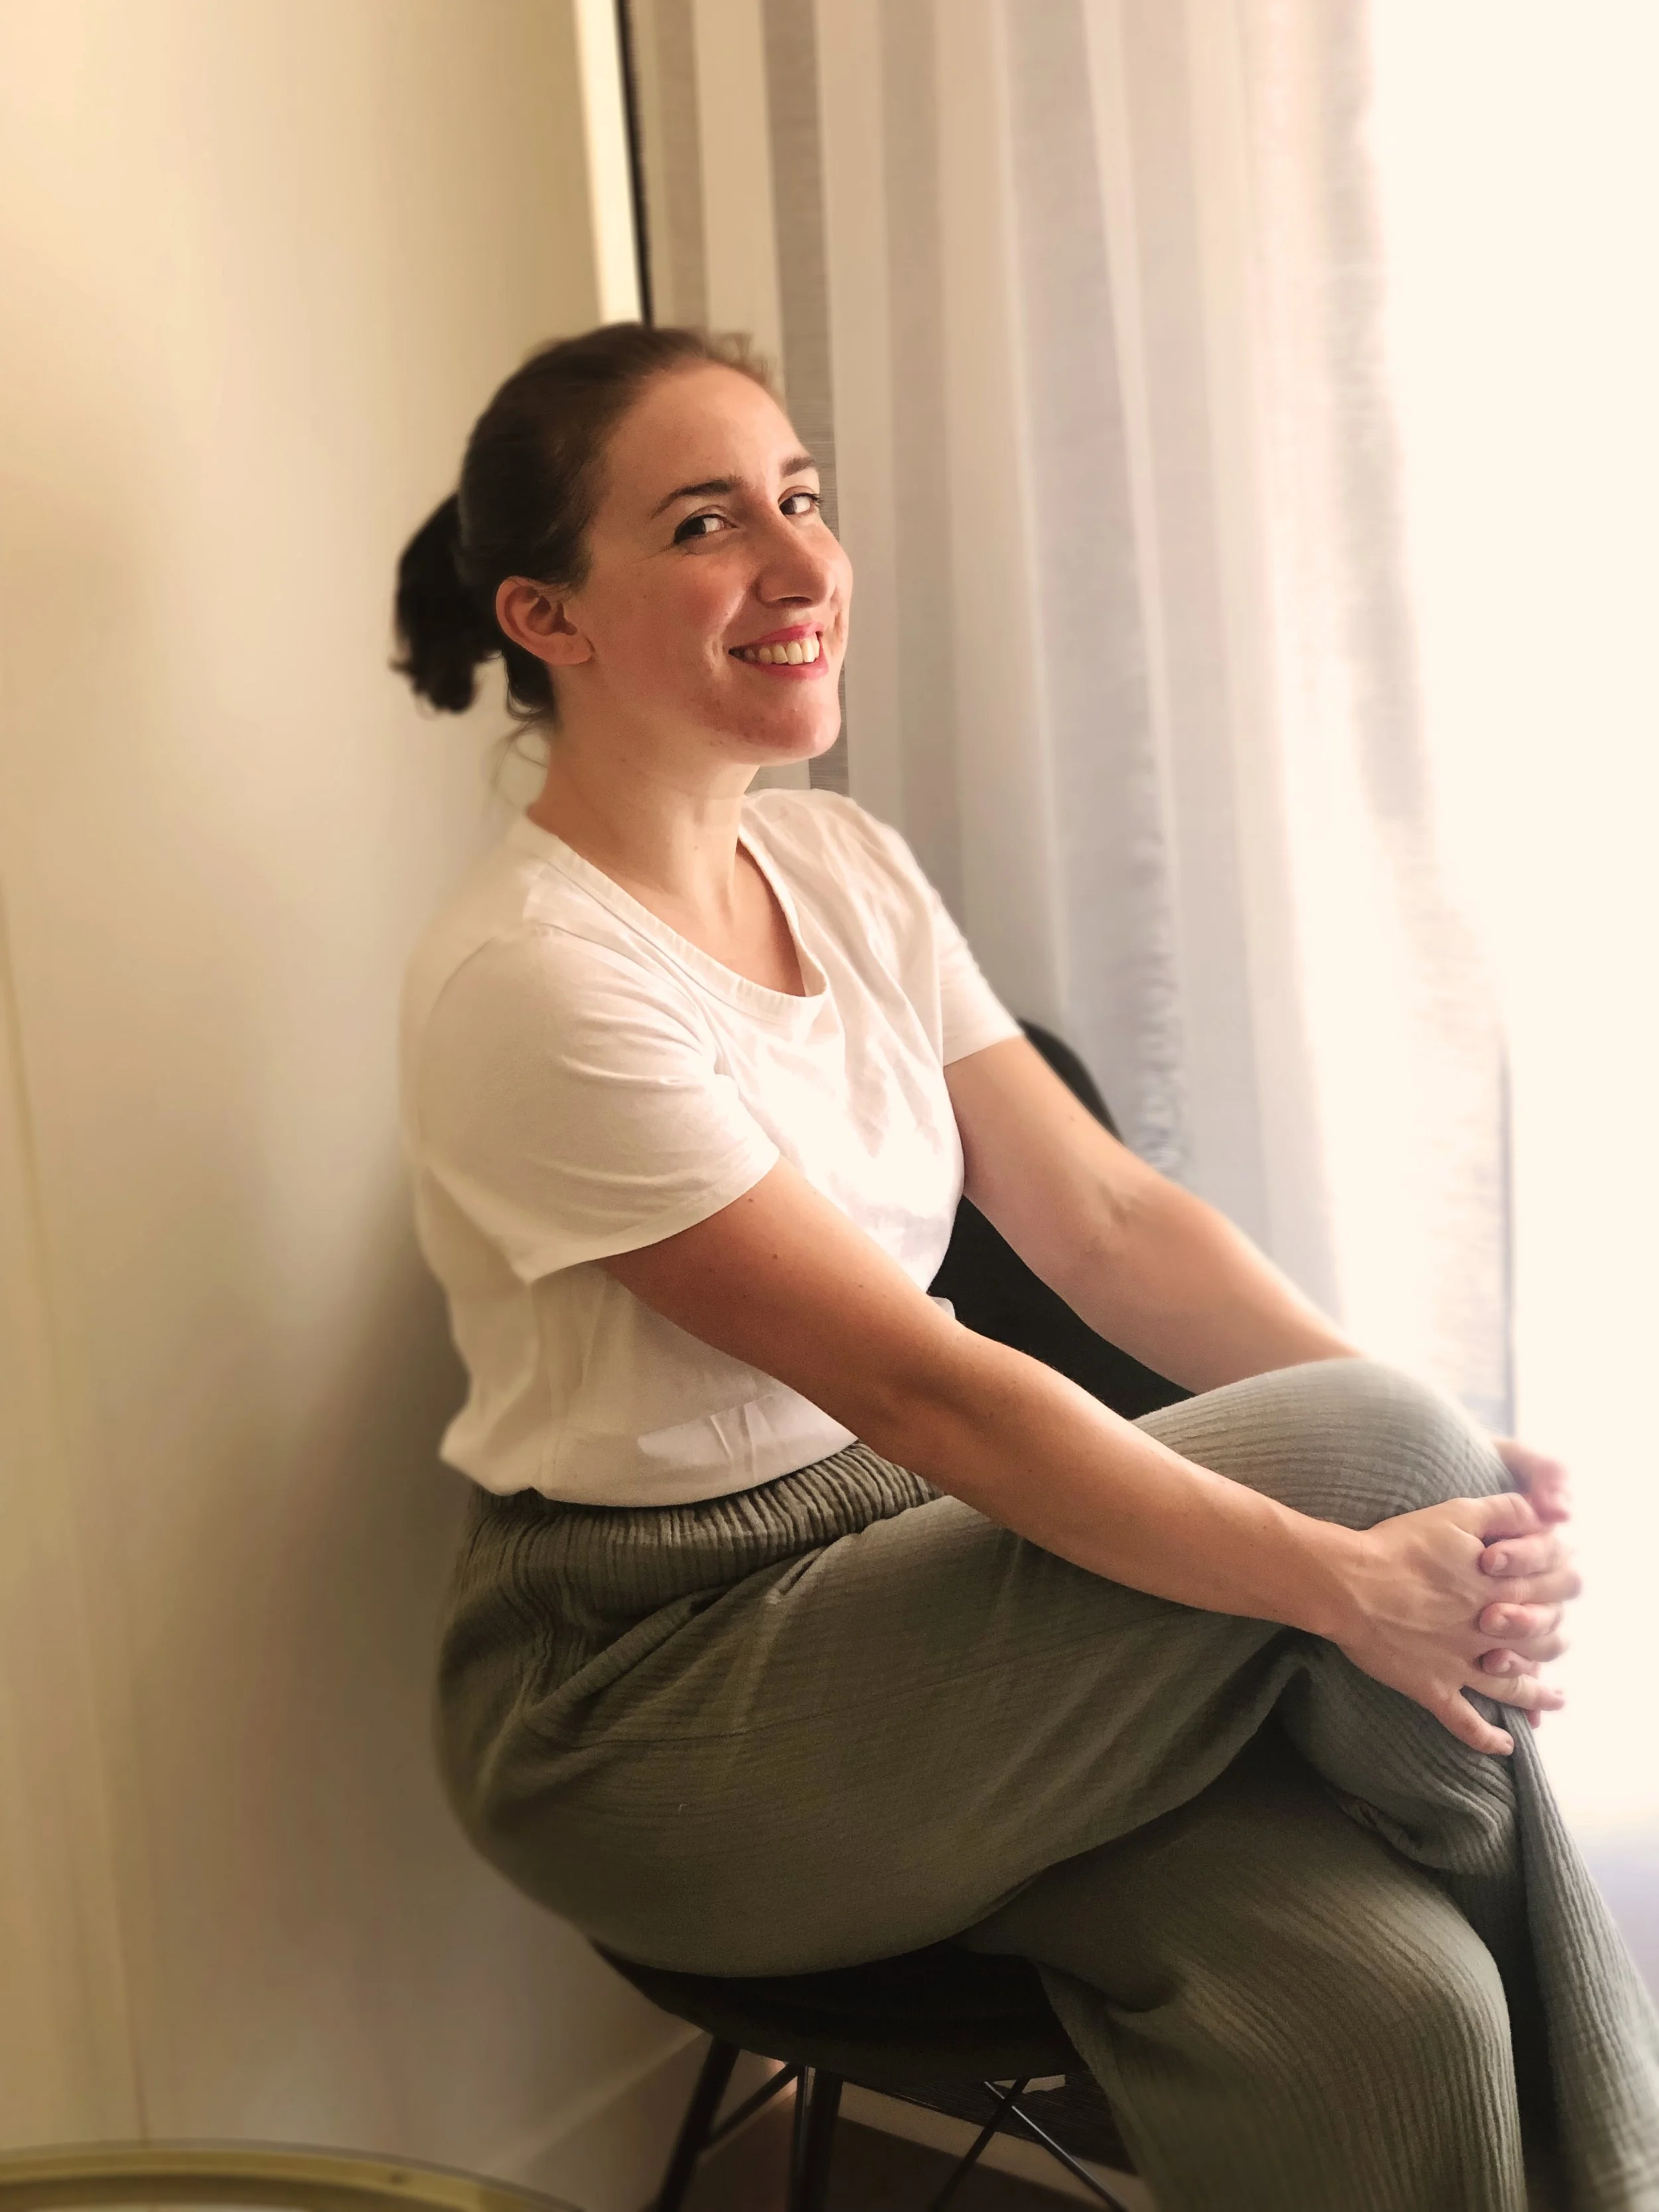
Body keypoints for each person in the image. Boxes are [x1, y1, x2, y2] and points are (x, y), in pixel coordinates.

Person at [393, 323, 1658, 2212]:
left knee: (1390, 2004)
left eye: (803, 498)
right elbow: (921, 1386)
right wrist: (1362, 1564)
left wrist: (1436, 1492)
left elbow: (1110, 1226)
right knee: (1383, 1460)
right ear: (545, 615)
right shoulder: (537, 983)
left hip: (901, 1599)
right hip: (650, 1702)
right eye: (705, 523)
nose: (803, 563)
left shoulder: (842, 867)